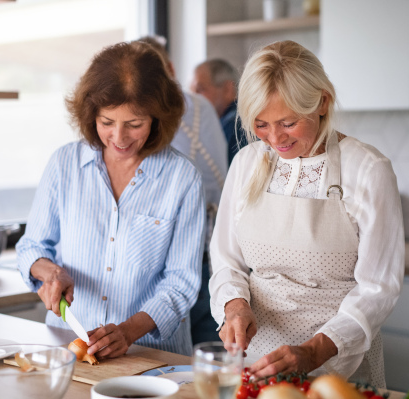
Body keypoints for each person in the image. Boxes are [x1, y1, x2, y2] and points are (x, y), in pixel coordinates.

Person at [209, 41, 404, 388]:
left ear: (322, 102)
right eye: (261, 124)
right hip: (255, 366)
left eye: (288, 122)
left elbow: (378, 289)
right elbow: (226, 260)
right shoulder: (247, 163)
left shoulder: (369, 170)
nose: (274, 138)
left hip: (338, 369)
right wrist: (234, 305)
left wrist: (313, 352)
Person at [16, 41, 206, 358]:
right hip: (69, 349)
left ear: (158, 119)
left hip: (150, 356)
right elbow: (31, 246)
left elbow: (181, 283)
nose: (119, 138)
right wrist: (50, 273)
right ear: (91, 115)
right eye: (107, 122)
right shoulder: (64, 165)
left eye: (134, 124)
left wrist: (128, 332)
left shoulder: (182, 179)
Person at [137, 36, 227, 344]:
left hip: (177, 257)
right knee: (210, 354)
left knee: (178, 358)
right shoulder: (202, 104)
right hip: (213, 249)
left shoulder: (154, 114)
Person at [190, 58, 247, 165]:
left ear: (227, 89)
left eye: (200, 89)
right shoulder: (220, 122)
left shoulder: (236, 126)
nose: (194, 98)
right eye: (192, 91)